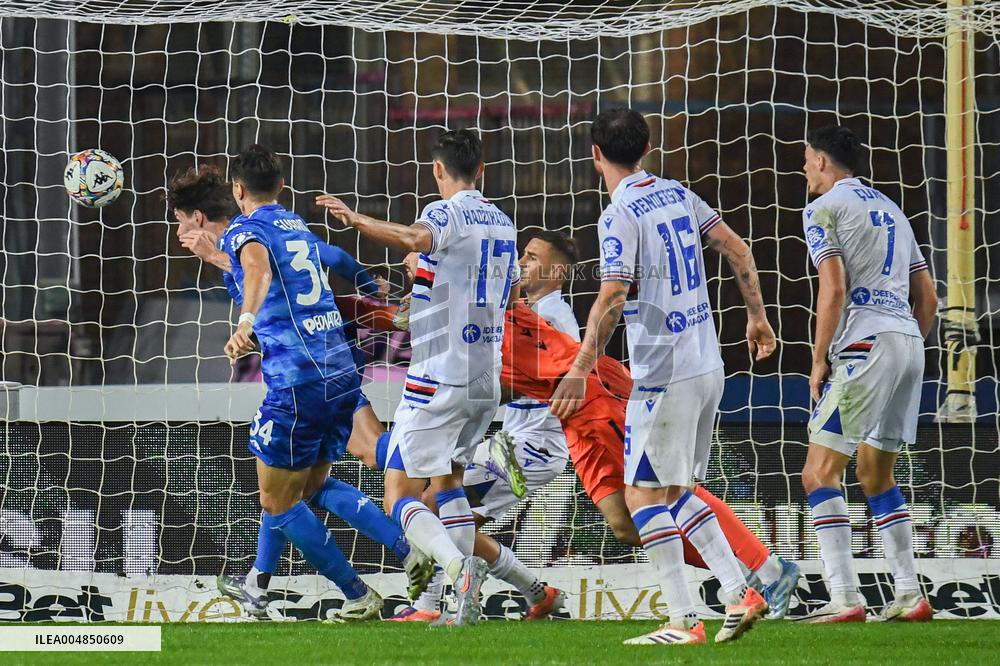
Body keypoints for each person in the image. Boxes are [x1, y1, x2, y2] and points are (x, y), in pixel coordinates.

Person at [550, 108, 777, 645]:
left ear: (595, 156)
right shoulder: (677, 193)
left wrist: (581, 367)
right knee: (677, 490)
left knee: (642, 499)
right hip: (707, 365)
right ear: (646, 148)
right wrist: (758, 317)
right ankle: (737, 590)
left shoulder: (619, 214)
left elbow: (613, 294)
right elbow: (738, 249)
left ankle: (685, 619)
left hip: (663, 374)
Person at [168, 164, 433, 618]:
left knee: (278, 499)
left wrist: (244, 321)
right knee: (309, 485)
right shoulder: (292, 222)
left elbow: (257, 270)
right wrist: (374, 287)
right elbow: (332, 258)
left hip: (297, 379)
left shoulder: (243, 233)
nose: (177, 229)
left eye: (178, 220)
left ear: (196, 216)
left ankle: (360, 590)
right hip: (338, 370)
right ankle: (263, 581)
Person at [317, 128, 519, 626]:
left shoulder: (442, 212)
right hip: (484, 379)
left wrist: (353, 217)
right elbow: (507, 298)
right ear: (483, 171)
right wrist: (425, 293)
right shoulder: (505, 224)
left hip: (438, 377)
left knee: (400, 496)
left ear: (436, 171)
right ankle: (455, 608)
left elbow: (412, 237)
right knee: (449, 482)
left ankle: (457, 570)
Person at [799, 125, 936, 622]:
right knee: (875, 475)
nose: (805, 168)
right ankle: (909, 594)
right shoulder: (894, 210)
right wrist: (906, 346)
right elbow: (930, 297)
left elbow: (832, 288)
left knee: (818, 474)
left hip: (867, 343)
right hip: (907, 342)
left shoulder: (824, 208)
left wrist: (819, 361)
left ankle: (845, 598)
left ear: (822, 163)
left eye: (808, 159)